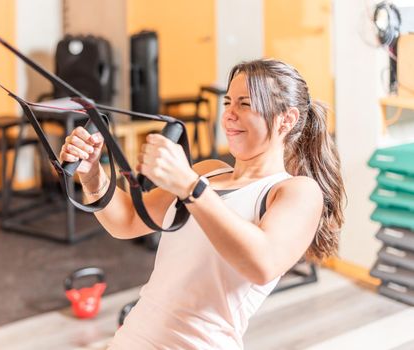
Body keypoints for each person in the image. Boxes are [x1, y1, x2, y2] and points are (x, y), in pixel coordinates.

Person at [59, 59, 345, 349]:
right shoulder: (207, 171)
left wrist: (189, 186)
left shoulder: (295, 192)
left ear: (287, 119)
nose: (230, 115)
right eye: (228, 102)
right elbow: (128, 221)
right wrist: (93, 174)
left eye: (245, 104)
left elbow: (263, 264)